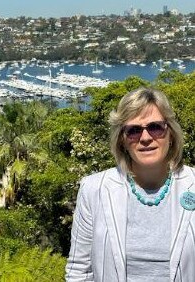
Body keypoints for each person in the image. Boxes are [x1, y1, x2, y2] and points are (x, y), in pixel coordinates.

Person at [65, 87, 195, 282]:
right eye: (133, 130)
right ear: (122, 141)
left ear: (171, 133)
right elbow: (79, 271)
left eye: (155, 127)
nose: (145, 138)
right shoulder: (94, 189)